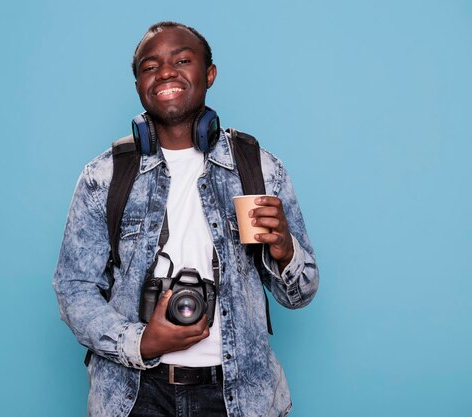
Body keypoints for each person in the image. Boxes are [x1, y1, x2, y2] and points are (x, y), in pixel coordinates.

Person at [53, 21, 319, 417]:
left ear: (209, 74)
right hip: (134, 395)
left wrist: (284, 250)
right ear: (139, 84)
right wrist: (142, 342)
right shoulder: (105, 176)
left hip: (239, 395)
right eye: (150, 66)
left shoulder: (258, 168)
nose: (165, 72)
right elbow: (74, 288)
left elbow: (300, 294)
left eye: (182, 60)